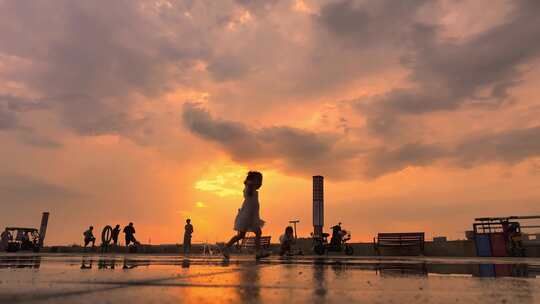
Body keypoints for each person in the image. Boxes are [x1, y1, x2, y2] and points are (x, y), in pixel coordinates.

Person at [222, 171, 269, 260]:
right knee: (255, 233)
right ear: (252, 181)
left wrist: (253, 182)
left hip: (251, 216)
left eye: (260, 181)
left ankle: (226, 247)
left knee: (243, 235)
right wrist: (249, 182)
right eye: (258, 180)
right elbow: (249, 187)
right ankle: (257, 251)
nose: (259, 183)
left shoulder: (253, 190)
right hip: (247, 216)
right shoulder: (249, 188)